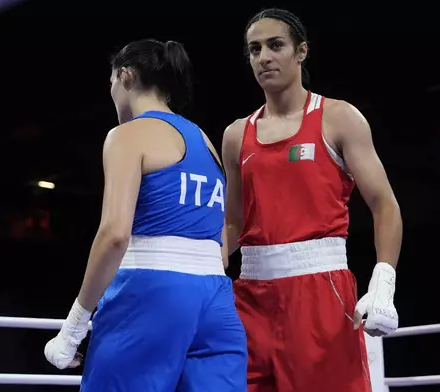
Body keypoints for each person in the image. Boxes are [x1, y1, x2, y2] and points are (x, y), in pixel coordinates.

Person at [44, 38, 248, 392]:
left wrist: (75, 324)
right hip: (216, 301)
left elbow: (114, 235)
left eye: (110, 82)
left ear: (125, 76)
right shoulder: (204, 139)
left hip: (152, 293)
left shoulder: (127, 136)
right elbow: (221, 239)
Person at [221, 8, 403, 392]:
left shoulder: (338, 118)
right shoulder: (236, 134)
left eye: (275, 45)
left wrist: (383, 282)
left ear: (301, 51)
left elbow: (384, 204)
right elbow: (234, 222)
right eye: (254, 49)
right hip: (249, 297)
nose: (264, 57)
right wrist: (198, 270)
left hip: (320, 291)